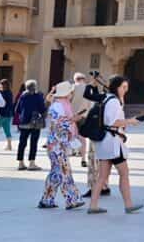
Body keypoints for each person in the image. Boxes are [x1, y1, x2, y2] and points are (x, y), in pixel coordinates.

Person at [88, 74, 143, 215]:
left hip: (105, 142)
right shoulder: (113, 101)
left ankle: (93, 205)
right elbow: (113, 122)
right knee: (124, 173)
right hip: (112, 142)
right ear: (116, 87)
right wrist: (131, 121)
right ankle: (128, 204)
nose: (125, 90)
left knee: (102, 176)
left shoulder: (107, 98)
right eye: (123, 87)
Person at [38, 81, 85, 210]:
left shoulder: (62, 105)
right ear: (66, 93)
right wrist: (73, 120)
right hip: (57, 144)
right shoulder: (58, 106)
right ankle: (72, 199)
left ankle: (46, 200)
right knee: (64, 171)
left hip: (58, 143)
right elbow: (58, 124)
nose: (72, 94)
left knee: (56, 173)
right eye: (70, 92)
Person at [14, 79, 46, 171]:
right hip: (35, 122)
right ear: (35, 87)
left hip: (24, 122)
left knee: (22, 142)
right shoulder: (38, 96)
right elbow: (42, 109)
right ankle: (31, 163)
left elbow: (17, 110)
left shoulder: (22, 96)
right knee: (33, 142)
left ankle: (20, 163)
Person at [70, 73, 92, 166]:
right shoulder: (88, 88)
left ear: (76, 79)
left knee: (71, 135)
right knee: (83, 138)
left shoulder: (73, 87)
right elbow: (90, 104)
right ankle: (83, 159)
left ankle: (74, 150)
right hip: (83, 116)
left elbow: (68, 100)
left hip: (72, 115)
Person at [0, 78, 14, 151]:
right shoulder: (10, 92)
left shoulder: (2, 93)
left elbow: (1, 104)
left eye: (0, 84)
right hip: (8, 114)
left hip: (2, 114)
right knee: (7, 130)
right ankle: (9, 145)